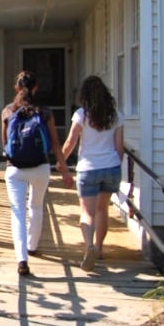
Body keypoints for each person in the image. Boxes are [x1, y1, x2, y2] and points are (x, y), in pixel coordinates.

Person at [1, 70, 73, 276]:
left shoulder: (8, 111)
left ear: (16, 88)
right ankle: (32, 246)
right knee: (36, 206)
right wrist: (65, 170)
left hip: (14, 169)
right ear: (36, 88)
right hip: (41, 167)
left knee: (18, 212)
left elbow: (5, 145)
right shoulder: (44, 112)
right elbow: (56, 144)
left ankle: (21, 259)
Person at [60, 75, 124, 272]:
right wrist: (115, 165)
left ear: (85, 95)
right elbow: (119, 147)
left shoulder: (81, 115)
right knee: (102, 209)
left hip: (88, 168)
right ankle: (100, 248)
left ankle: (89, 247)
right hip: (111, 167)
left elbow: (71, 141)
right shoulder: (116, 115)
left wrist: (61, 161)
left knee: (87, 212)